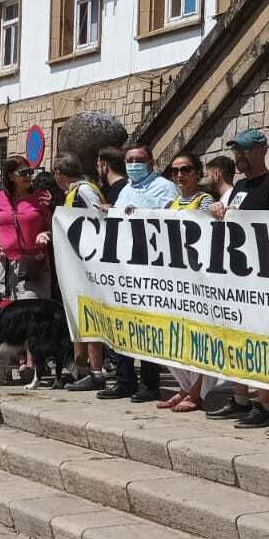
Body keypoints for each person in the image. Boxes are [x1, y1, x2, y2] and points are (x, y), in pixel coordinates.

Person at [205, 128, 269, 429]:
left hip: (263, 278)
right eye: (236, 151)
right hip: (238, 274)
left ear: (262, 150)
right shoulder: (241, 186)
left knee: (262, 339)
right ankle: (241, 396)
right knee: (238, 338)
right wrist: (220, 209)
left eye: (245, 150)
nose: (239, 156)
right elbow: (229, 213)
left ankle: (265, 403)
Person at [98, 146, 178, 402]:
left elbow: (173, 221)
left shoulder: (165, 188)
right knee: (124, 325)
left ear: (151, 162)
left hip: (151, 268)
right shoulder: (127, 189)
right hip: (125, 268)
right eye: (129, 160)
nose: (133, 164)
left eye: (139, 160)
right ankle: (124, 380)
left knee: (147, 327)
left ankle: (150, 384)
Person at [37, 154, 108, 390]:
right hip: (74, 266)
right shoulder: (72, 193)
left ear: (58, 173)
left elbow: (100, 218)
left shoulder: (85, 190)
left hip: (87, 266)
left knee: (89, 317)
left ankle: (96, 371)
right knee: (77, 318)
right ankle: (82, 369)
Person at [155, 152, 216, 412]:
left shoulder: (204, 200)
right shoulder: (170, 205)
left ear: (197, 173)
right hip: (175, 280)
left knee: (199, 336)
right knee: (178, 336)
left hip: (198, 279)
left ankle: (196, 391)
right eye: (175, 170)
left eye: (186, 169)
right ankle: (183, 386)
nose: (180, 175)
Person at [0, 156, 53, 299]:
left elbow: (53, 229)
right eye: (23, 173)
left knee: (32, 312)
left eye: (30, 172)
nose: (28, 176)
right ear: (10, 176)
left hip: (33, 266)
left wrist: (45, 234)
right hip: (5, 266)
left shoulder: (41, 198)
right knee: (5, 313)